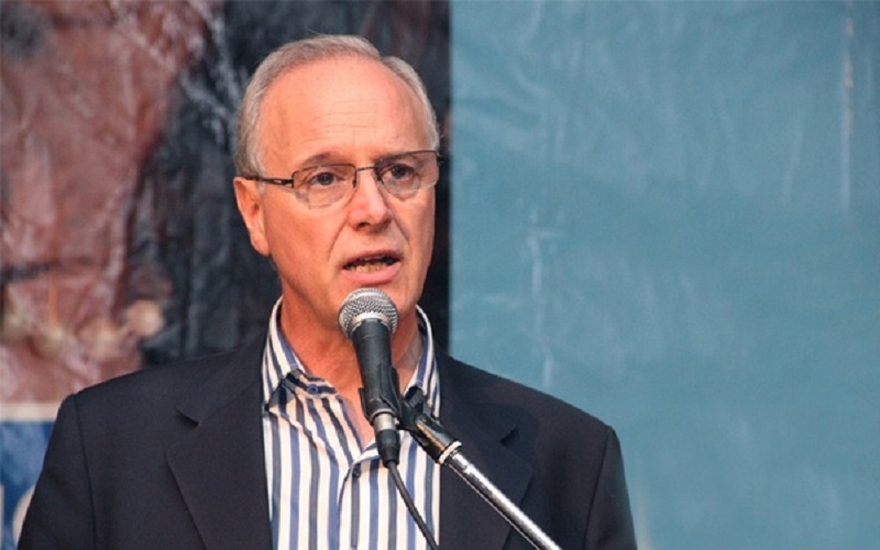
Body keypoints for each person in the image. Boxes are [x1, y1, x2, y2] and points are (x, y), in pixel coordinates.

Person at [20, 35, 636, 549]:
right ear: (254, 212)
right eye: (325, 178)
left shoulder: (569, 461)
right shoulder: (110, 448)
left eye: (400, 171)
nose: (373, 209)